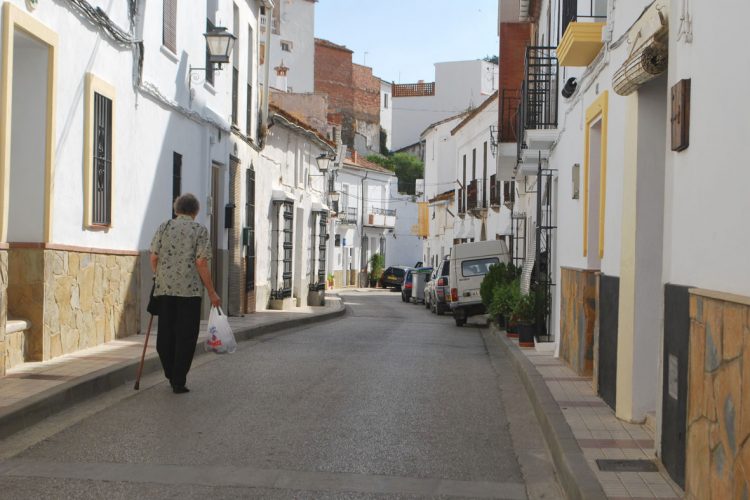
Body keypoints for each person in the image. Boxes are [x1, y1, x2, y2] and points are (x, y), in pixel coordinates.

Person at [150, 193, 221, 394]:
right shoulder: (199, 230)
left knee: (165, 334)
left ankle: (170, 372)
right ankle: (178, 379)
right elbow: (201, 262)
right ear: (196, 211)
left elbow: (153, 256)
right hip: (189, 294)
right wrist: (212, 292)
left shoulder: (164, 227)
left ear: (176, 209)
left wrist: (158, 277)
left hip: (165, 290)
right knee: (186, 337)